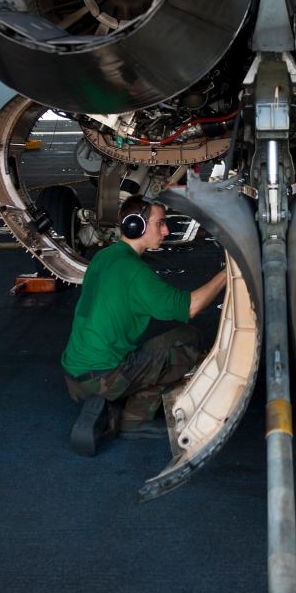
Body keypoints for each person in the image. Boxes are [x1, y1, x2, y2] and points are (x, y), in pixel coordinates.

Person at [62, 195, 226, 457]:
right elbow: (190, 306)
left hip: (74, 374)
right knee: (186, 341)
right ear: (135, 226)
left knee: (149, 355)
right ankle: (133, 420)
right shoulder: (136, 272)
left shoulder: (103, 257)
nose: (166, 230)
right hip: (103, 376)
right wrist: (226, 274)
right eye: (160, 223)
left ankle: (110, 411)